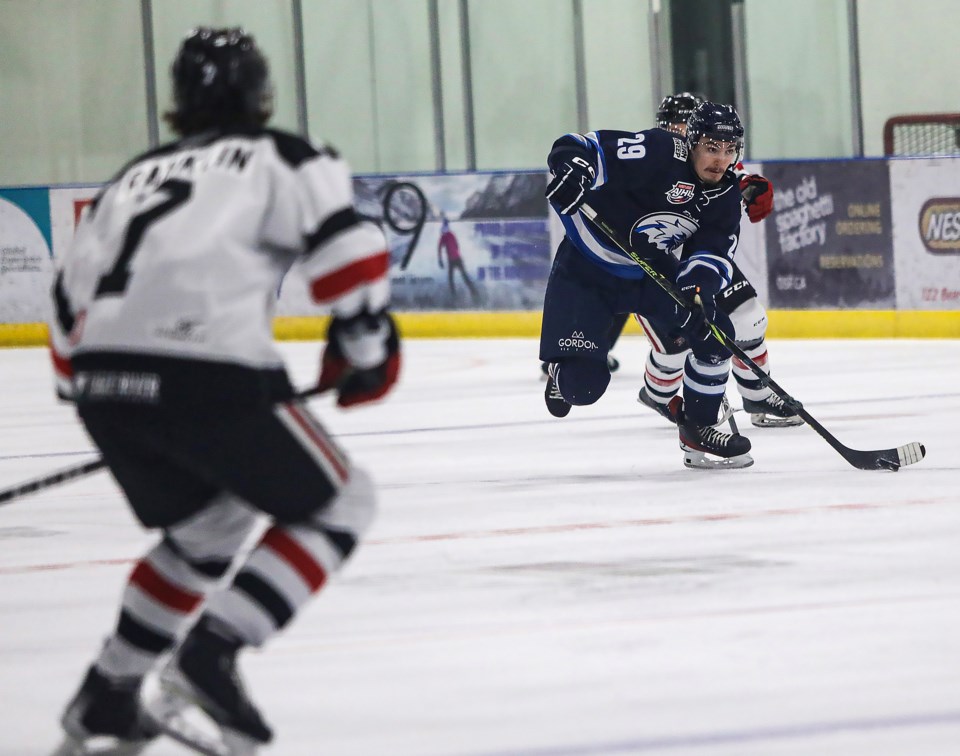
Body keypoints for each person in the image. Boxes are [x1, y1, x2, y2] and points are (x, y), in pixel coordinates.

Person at [48, 27, 400, 753]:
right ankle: (210, 655)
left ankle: (108, 697)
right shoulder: (283, 156)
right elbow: (350, 258)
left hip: (100, 382)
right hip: (205, 369)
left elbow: (64, 303)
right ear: (261, 93)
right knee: (342, 501)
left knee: (208, 528)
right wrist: (365, 350)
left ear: (178, 102)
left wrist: (109, 395)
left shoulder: (131, 178)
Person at [540, 100, 754, 469]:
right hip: (586, 270)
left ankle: (698, 428)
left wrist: (699, 290)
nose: (720, 160)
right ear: (691, 142)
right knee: (584, 388)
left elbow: (712, 251)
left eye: (729, 150)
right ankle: (563, 376)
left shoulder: (724, 194)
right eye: (712, 148)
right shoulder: (658, 151)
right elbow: (581, 147)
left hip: (648, 271)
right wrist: (572, 170)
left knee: (716, 332)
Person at [636, 92, 801, 428]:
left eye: (687, 125)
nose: (680, 132)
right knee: (678, 346)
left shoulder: (712, 155)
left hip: (702, 254)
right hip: (656, 260)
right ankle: (658, 392)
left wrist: (749, 187)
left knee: (749, 317)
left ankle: (757, 393)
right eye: (674, 126)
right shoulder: (653, 160)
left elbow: (730, 179)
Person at [437, 212, 479, 304]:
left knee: (458, 277)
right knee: (457, 277)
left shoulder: (448, 235)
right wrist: (441, 258)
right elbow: (454, 246)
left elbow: (442, 247)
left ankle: (470, 292)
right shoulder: (448, 235)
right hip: (456, 259)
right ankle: (466, 293)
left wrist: (441, 259)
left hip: (455, 259)